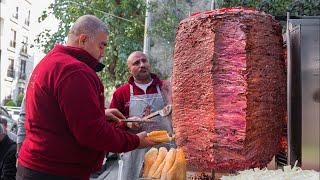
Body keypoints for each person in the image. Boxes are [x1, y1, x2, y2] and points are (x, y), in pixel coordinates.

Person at [16, 15, 155, 180]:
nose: (103, 53)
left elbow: (57, 114)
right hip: (56, 171)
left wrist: (100, 114)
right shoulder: (74, 71)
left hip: (35, 166)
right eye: (102, 45)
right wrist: (136, 141)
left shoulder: (50, 62)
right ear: (83, 40)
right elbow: (92, 133)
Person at [108, 51, 174, 180]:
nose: (142, 65)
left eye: (144, 61)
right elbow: (111, 125)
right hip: (134, 152)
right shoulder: (121, 93)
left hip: (165, 150)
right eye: (136, 63)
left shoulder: (166, 87)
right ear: (129, 69)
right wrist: (126, 123)